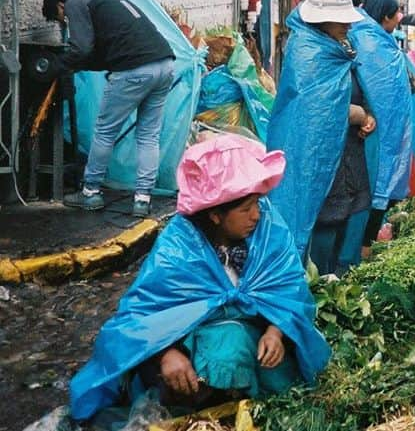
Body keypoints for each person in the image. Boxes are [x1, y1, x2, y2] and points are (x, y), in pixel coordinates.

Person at [68, 135, 330, 424]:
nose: (256, 215)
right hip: (195, 354)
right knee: (229, 345)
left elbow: (289, 291)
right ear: (216, 215)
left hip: (257, 347)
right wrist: (165, 354)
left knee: (281, 386)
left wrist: (276, 331)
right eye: (245, 209)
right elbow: (142, 318)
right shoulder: (179, 249)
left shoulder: (268, 230)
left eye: (258, 203)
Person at [41, 0, 176, 215]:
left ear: (61, 5)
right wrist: (78, 65)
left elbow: (81, 49)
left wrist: (57, 66)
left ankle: (90, 192)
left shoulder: (76, 3)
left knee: (105, 131)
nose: (64, 23)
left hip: (134, 69)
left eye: (60, 18)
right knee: (148, 135)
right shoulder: (109, 0)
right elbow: (104, 53)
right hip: (164, 63)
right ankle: (142, 200)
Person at [267, 0, 373, 273]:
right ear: (321, 19)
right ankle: (317, 278)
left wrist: (367, 115)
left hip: (346, 149)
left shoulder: (337, 46)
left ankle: (336, 274)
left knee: (348, 208)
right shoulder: (308, 52)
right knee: (324, 214)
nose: (349, 24)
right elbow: (316, 109)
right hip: (315, 149)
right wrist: (358, 115)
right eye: (343, 19)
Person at [352, 0, 415, 260]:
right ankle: (360, 250)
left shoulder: (374, 39)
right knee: (373, 187)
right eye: (396, 12)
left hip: (380, 128)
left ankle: (363, 247)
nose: (399, 17)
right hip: (370, 130)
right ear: (383, 16)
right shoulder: (371, 43)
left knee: (376, 188)